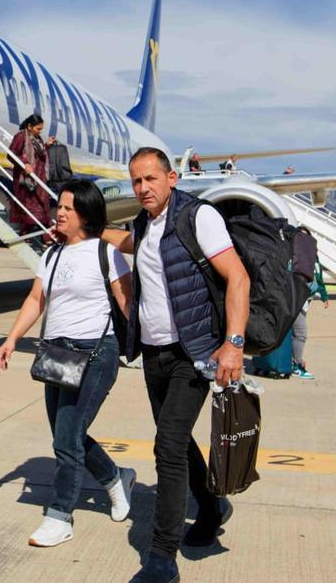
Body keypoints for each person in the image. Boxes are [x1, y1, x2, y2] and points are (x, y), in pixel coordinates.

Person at [102, 147, 250, 582]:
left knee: (167, 446)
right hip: (155, 353)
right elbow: (134, 244)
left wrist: (233, 344)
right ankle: (211, 506)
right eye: (136, 181)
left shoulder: (197, 217)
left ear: (172, 178)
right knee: (180, 441)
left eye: (150, 179)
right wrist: (93, 233)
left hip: (194, 353)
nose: (143, 188)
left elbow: (237, 276)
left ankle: (161, 559)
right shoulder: (145, 223)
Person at [0, 179, 135, 548]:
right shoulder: (52, 255)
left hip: (95, 354)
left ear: (85, 215)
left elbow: (127, 305)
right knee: (67, 436)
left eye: (67, 208)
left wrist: (148, 349)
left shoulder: (107, 254)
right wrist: (12, 338)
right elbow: (35, 299)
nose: (59, 212)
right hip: (57, 355)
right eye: (59, 206)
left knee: (66, 438)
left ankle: (60, 515)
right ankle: (116, 478)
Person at [291, 227, 328, 380]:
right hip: (296, 297)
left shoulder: (314, 258)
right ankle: (297, 365)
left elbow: (319, 278)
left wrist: (324, 295)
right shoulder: (294, 256)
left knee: (297, 332)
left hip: (306, 298)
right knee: (300, 332)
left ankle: (292, 362)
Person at [9, 114, 51, 238]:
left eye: (41, 129)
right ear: (29, 126)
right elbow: (11, 155)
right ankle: (25, 234)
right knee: (27, 209)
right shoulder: (21, 137)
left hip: (39, 178)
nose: (40, 131)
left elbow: (40, 154)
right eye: (38, 129)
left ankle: (41, 236)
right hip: (26, 180)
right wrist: (24, 165)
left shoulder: (38, 140)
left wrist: (47, 145)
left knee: (42, 207)